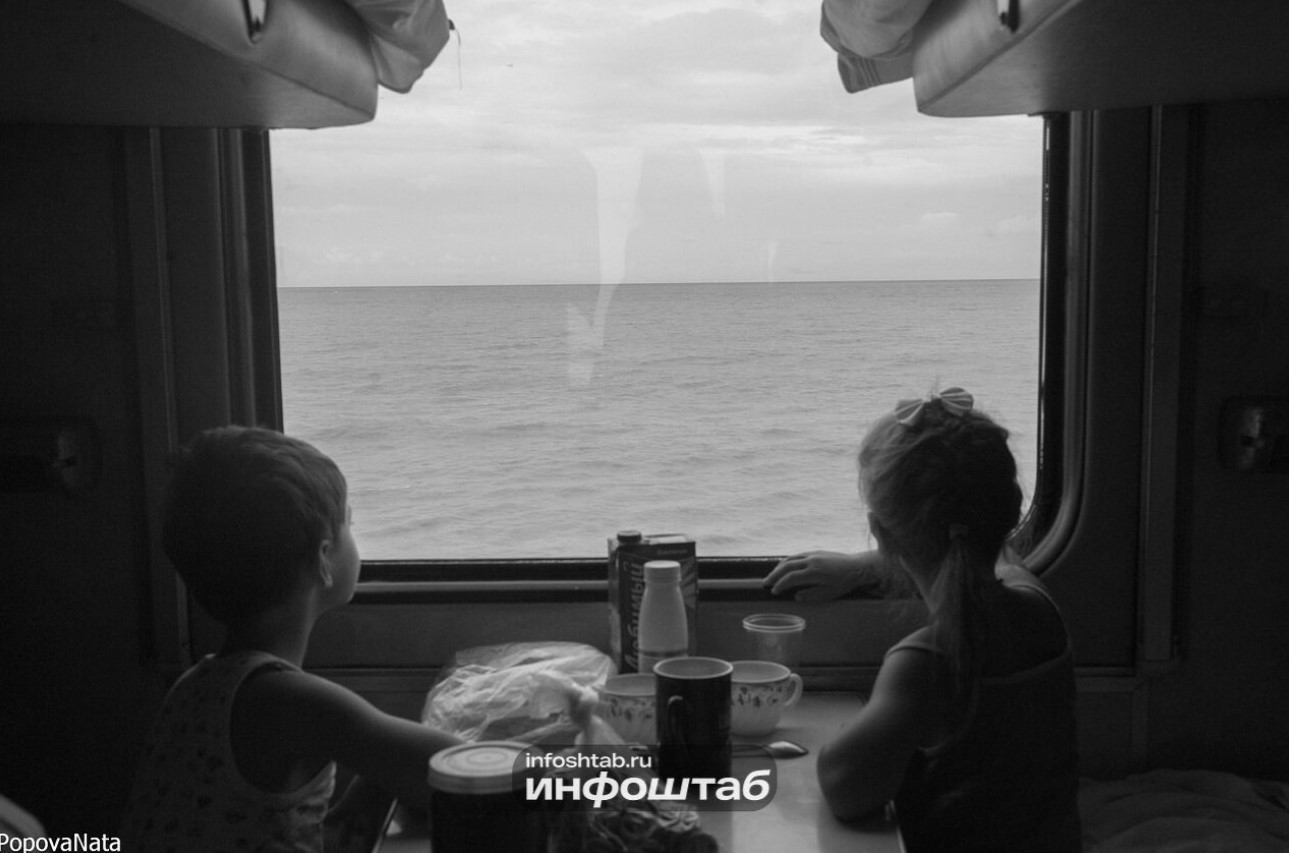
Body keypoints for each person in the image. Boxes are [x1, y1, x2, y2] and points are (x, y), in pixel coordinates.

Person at [763, 388, 1080, 853]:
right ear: (1011, 512)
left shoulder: (925, 662)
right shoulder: (1040, 605)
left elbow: (843, 788)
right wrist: (867, 565)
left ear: (880, 532)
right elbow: (988, 554)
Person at [121, 426, 462, 853]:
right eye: (350, 523)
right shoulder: (293, 703)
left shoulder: (192, 688)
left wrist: (381, 776)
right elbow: (459, 772)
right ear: (324, 559)